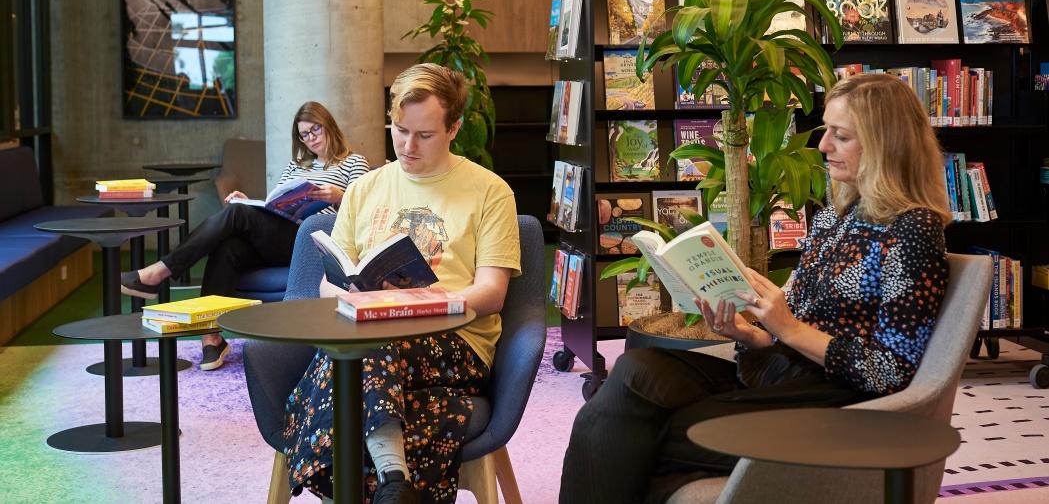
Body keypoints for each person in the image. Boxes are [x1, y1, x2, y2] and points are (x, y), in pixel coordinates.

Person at [559, 72, 953, 504]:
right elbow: (788, 330)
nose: (823, 147)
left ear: (885, 146)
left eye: (841, 137)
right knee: (636, 370)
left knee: (645, 432)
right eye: (827, 133)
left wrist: (788, 330)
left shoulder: (912, 232)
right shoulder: (836, 216)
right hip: (782, 372)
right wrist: (750, 335)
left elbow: (892, 372)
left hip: (838, 400)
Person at [282, 63, 521, 504]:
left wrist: (424, 301)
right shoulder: (364, 188)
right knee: (365, 345)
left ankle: (383, 475)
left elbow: (491, 294)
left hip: (453, 341)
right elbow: (326, 285)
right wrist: (355, 295)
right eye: (399, 130)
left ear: (454, 128)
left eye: (425, 135)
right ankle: (394, 485)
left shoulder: (490, 191)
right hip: (376, 339)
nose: (408, 146)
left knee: (345, 364)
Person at [120, 101, 370, 370]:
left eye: (315, 131)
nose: (310, 139)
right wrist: (252, 202)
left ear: (329, 126)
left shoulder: (353, 163)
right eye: (304, 135)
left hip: (314, 241)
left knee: (235, 217)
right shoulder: (296, 165)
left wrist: (338, 196)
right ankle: (211, 337)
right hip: (284, 233)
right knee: (229, 244)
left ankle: (160, 272)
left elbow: (363, 211)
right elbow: (279, 205)